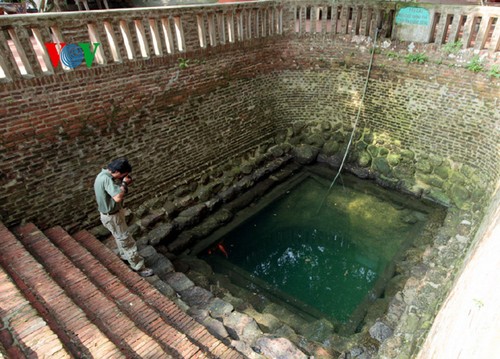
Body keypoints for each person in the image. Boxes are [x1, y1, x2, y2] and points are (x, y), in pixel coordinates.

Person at [94, 158, 154, 277]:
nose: (123, 177)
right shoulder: (106, 179)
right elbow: (117, 197)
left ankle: (124, 255)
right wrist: (124, 183)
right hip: (112, 216)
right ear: (116, 171)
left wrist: (123, 184)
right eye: (123, 175)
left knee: (119, 236)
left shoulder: (102, 175)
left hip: (111, 214)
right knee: (126, 240)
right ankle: (139, 267)